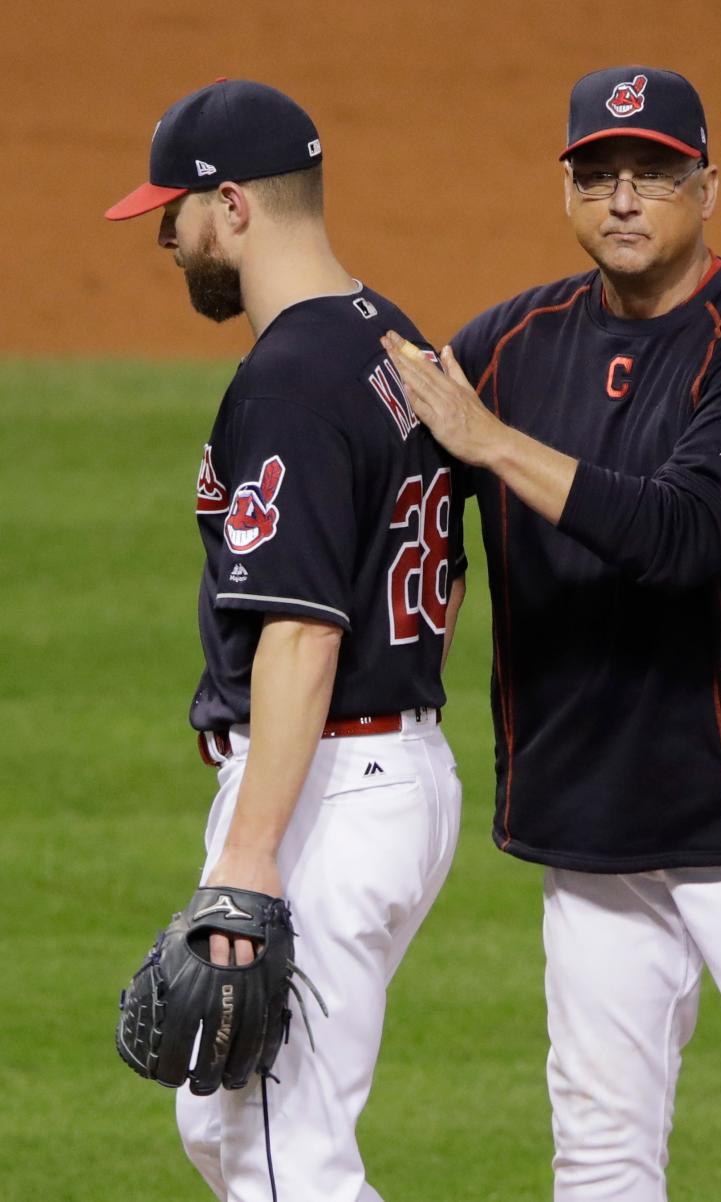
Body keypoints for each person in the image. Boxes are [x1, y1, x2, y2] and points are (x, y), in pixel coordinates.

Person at [383, 66, 721, 1201]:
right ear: (568, 190)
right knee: (603, 1152)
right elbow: (393, 441)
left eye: (655, 173)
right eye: (599, 173)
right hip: (596, 816)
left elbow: (680, 531)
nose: (624, 198)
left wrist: (493, 444)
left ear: (707, 187)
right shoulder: (512, 343)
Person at [105, 78, 464, 1202]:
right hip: (378, 768)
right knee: (228, 1124)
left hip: (328, 788)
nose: (167, 235)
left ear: (235, 206)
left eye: (178, 209)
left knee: (283, 1158)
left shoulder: (293, 380)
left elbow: (303, 634)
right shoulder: (380, 332)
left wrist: (252, 859)